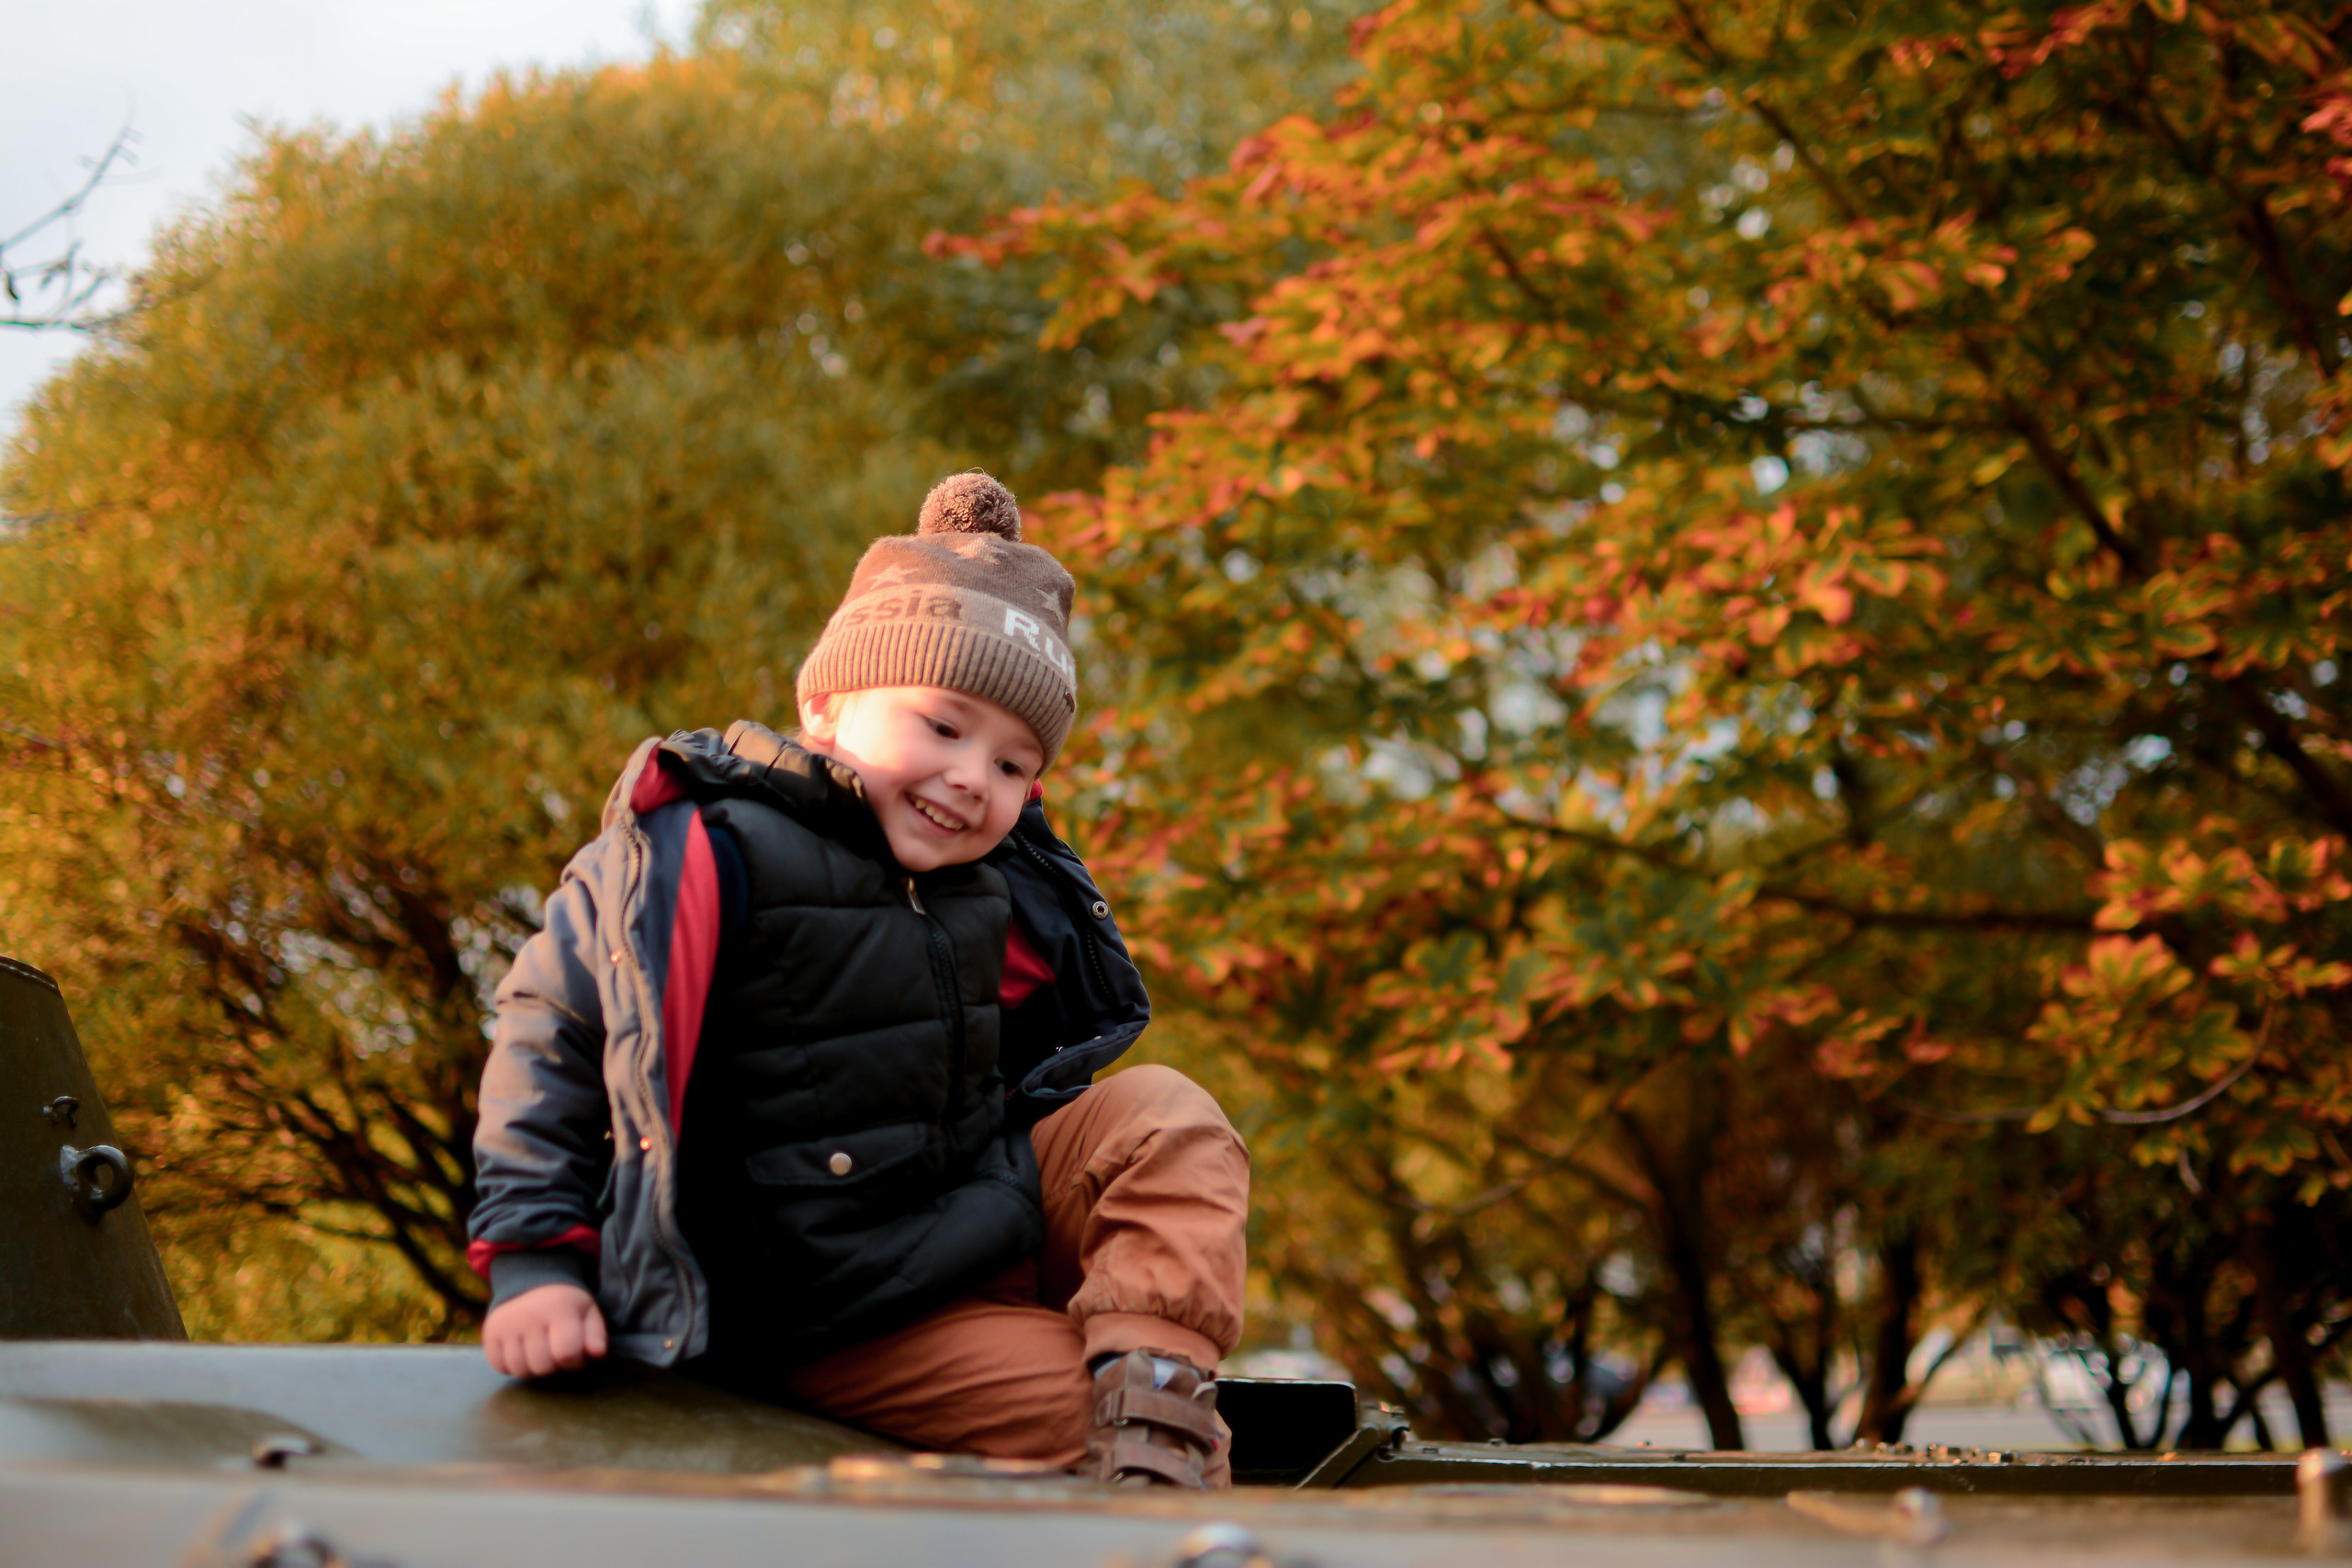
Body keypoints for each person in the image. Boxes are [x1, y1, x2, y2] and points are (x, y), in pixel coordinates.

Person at [464, 473, 1249, 1487]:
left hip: (975, 1226)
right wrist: (535, 1261)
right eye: (944, 725)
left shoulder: (990, 890)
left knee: (1163, 1114)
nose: (974, 777)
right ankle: (1140, 1474)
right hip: (831, 1307)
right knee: (1081, 1418)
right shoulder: (705, 851)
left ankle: (1157, 1388)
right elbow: (552, 1032)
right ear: (825, 707)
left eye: (1015, 766)